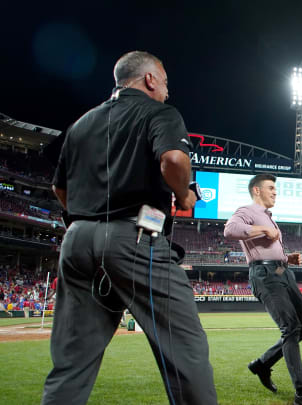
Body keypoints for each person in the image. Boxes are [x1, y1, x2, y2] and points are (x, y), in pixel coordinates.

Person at [43, 51, 217, 405]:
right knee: (186, 350)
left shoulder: (81, 123)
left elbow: (59, 189)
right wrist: (183, 195)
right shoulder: (160, 112)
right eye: (165, 81)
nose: (167, 90)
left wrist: (89, 219)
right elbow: (172, 159)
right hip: (135, 236)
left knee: (72, 362)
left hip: (76, 241)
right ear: (150, 79)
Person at [224, 173, 302, 405]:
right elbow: (229, 230)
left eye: (275, 188)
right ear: (256, 190)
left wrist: (287, 258)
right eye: (270, 188)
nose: (275, 192)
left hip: (282, 272)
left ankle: (262, 364)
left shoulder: (268, 216)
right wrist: (264, 231)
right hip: (265, 275)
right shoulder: (247, 210)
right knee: (290, 328)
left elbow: (270, 250)